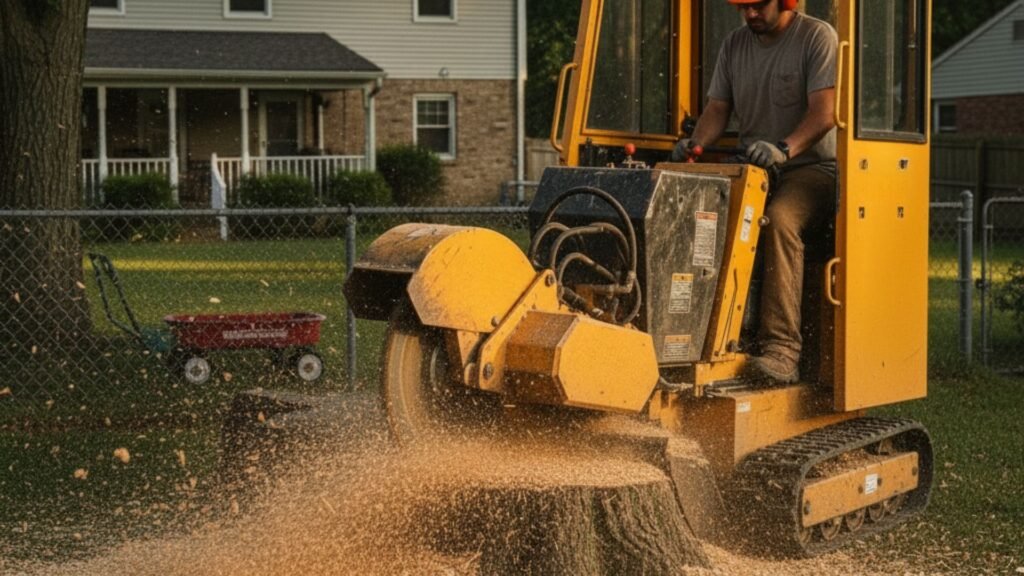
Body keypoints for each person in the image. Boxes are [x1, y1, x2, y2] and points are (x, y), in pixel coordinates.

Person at [671, 0, 838, 383]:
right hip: (754, 169)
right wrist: (695, 145)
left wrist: (783, 148)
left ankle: (782, 351)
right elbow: (717, 109)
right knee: (701, 216)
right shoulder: (735, 45)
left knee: (779, 219)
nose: (750, 15)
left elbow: (824, 113)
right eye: (743, 7)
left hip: (811, 168)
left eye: (758, 6)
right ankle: (698, 339)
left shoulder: (816, 37)